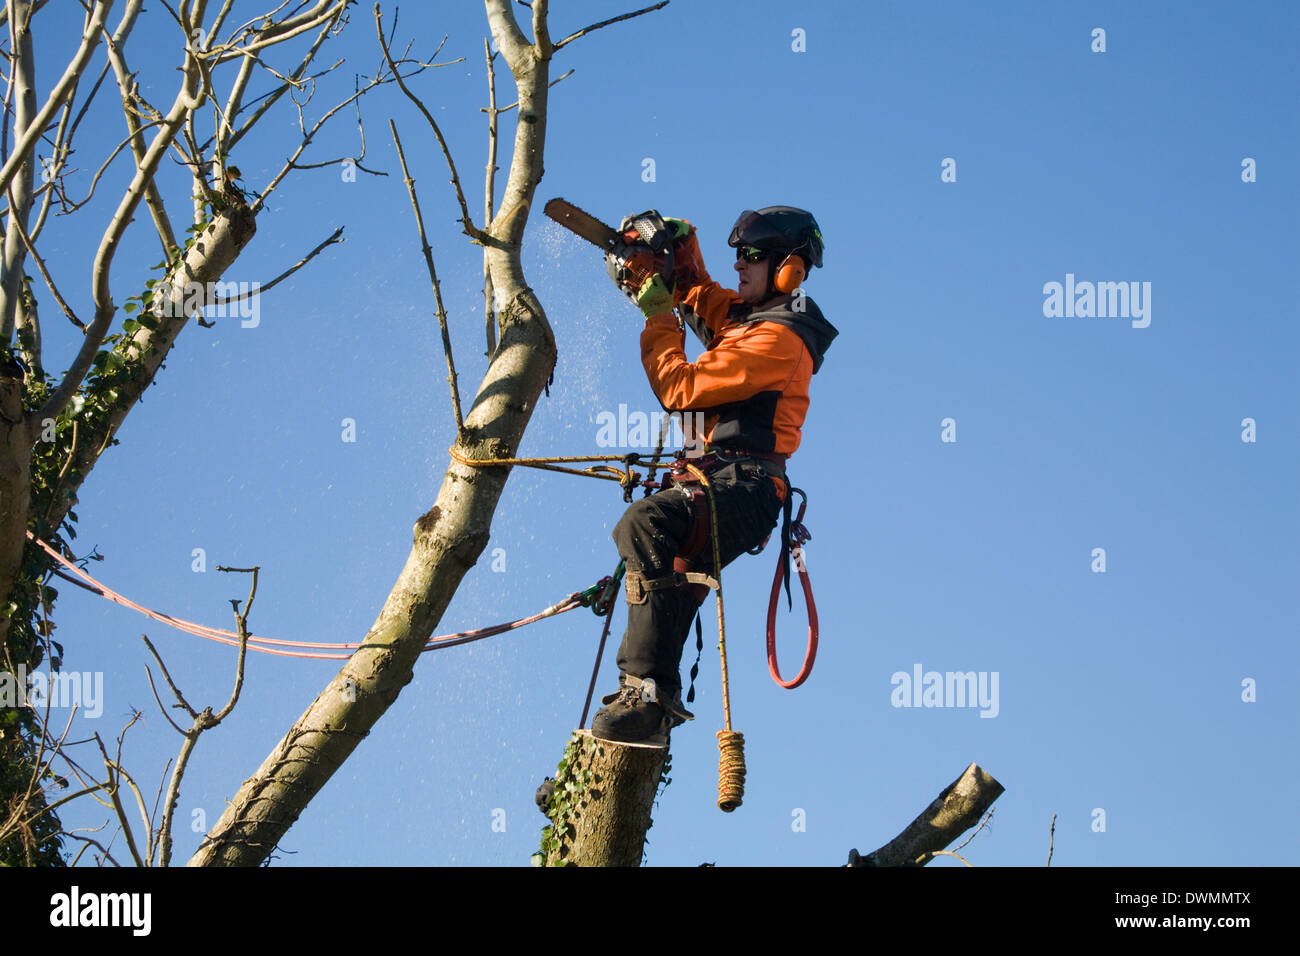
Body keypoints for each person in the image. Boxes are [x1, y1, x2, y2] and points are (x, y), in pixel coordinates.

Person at [590, 206, 838, 744]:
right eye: (737, 253)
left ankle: (647, 693)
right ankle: (640, 719)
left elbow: (680, 390)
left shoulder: (777, 340)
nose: (739, 264)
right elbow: (699, 295)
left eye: (752, 256)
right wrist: (677, 251)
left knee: (644, 524)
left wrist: (656, 316)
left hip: (746, 487)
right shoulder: (748, 318)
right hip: (718, 479)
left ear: (789, 269)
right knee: (669, 578)